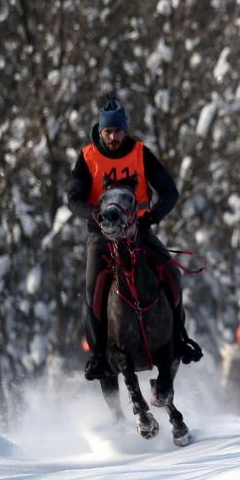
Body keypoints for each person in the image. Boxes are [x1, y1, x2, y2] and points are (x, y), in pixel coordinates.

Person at [68, 98, 202, 380]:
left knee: (171, 273)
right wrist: (95, 214)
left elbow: (170, 192)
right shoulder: (88, 157)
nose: (113, 137)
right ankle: (98, 353)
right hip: (102, 235)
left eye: (117, 131)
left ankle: (179, 338)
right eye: (108, 132)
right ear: (100, 131)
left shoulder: (141, 153)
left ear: (125, 130)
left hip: (137, 231)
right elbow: (74, 199)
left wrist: (152, 217)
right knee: (93, 290)